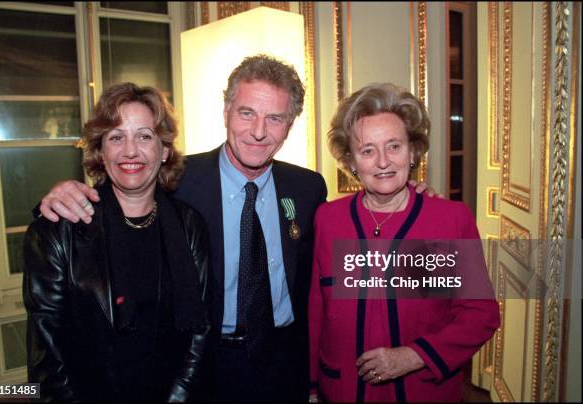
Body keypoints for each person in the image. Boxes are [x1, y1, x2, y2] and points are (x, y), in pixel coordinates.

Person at [36, 56, 434, 402]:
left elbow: (353, 262)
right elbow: (125, 178)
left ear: (290, 124)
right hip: (203, 365)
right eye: (247, 113)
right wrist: (63, 194)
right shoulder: (178, 179)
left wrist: (409, 198)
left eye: (275, 118)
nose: (259, 131)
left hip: (286, 364)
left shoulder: (309, 188)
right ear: (226, 111)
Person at [308, 83, 500, 402]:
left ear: (412, 152)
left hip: (421, 391)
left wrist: (412, 357)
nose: (383, 161)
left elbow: (480, 315)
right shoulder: (329, 219)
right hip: (341, 389)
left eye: (394, 146)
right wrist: (312, 386)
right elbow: (317, 310)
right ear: (351, 161)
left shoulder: (448, 221)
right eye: (367, 150)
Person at [24, 83, 210, 401]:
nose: (130, 151)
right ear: (101, 151)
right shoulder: (59, 229)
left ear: (164, 150)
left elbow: (199, 336)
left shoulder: (189, 225)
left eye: (144, 136)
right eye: (116, 137)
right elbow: (48, 355)